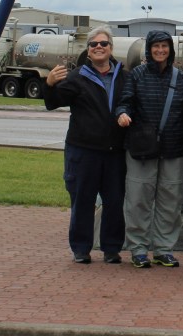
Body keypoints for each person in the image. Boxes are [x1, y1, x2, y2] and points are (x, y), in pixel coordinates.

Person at [43, 25, 128, 265]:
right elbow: (53, 102)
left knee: (114, 201)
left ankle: (111, 249)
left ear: (111, 48)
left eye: (103, 44)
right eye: (94, 45)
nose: (98, 47)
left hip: (115, 152)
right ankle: (81, 248)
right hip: (84, 150)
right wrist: (49, 84)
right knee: (83, 200)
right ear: (88, 51)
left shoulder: (125, 75)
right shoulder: (77, 76)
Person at [114, 30, 183, 269]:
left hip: (174, 147)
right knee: (138, 199)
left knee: (171, 199)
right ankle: (138, 248)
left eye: (164, 46)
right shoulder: (136, 74)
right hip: (142, 146)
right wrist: (122, 113)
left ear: (171, 49)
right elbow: (125, 100)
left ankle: (163, 249)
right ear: (149, 49)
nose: (160, 50)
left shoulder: (180, 78)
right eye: (156, 46)